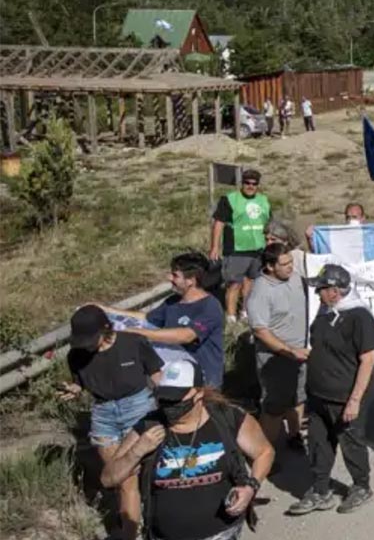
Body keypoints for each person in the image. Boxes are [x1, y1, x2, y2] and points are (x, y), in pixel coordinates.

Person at [100, 360, 273, 540]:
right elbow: (108, 478)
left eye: (175, 399)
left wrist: (250, 487)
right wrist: (137, 451)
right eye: (163, 399)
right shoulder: (149, 428)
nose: (168, 406)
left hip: (219, 535)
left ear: (198, 393)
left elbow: (264, 452)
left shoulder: (227, 418)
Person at [61, 305, 163, 540]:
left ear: (105, 330)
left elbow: (157, 376)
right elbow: (81, 380)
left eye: (88, 339)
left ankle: (160, 526)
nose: (84, 346)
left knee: (152, 472)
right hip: (104, 415)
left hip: (139, 408)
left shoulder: (134, 342)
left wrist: (166, 409)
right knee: (121, 479)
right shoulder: (77, 355)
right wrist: (74, 389)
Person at [287, 265, 374, 516]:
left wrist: (354, 400)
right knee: (318, 443)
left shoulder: (359, 317)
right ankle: (319, 489)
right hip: (318, 394)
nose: (318, 293)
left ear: (336, 291)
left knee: (351, 443)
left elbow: (368, 359)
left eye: (322, 288)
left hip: (346, 395)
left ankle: (361, 486)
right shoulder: (325, 313)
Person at [111, 252, 225, 389]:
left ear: (191, 281)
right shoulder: (172, 302)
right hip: (173, 376)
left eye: (175, 275)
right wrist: (108, 310)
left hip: (203, 381)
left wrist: (138, 332)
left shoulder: (209, 307)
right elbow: (146, 318)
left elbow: (186, 335)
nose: (169, 278)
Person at [245, 243, 308, 456]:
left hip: (300, 353)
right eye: (285, 264)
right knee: (274, 407)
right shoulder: (260, 293)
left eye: (291, 261)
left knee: (298, 398)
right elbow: (261, 331)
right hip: (276, 358)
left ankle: (294, 434)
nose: (291, 267)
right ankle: (263, 452)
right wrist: (289, 351)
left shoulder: (295, 277)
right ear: (271, 266)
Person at [209, 169, 270, 324]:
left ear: (258, 185)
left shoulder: (264, 200)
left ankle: (245, 312)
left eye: (254, 184)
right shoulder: (230, 199)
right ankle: (230, 317)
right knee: (234, 284)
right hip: (236, 249)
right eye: (247, 183)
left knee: (251, 283)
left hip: (258, 249)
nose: (250, 186)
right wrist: (215, 246)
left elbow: (269, 224)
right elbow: (219, 223)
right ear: (242, 183)